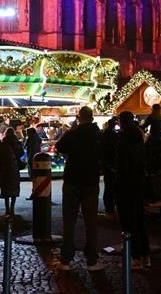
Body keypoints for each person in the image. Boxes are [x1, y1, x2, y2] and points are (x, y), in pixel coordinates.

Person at [55, 106, 103, 272]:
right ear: (92, 117)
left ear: (79, 117)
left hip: (72, 179)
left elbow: (60, 146)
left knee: (69, 221)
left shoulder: (74, 133)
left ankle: (66, 259)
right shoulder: (98, 134)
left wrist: (71, 131)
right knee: (91, 222)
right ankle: (91, 260)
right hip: (90, 180)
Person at [115, 111, 150, 269]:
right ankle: (145, 255)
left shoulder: (124, 140)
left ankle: (134, 256)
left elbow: (122, 165)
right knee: (140, 219)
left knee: (129, 221)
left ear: (121, 122)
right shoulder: (139, 137)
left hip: (126, 184)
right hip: (139, 182)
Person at [0, 128, 23, 216]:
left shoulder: (3, 143)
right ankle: (12, 208)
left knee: (6, 187)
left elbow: (0, 155)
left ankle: (7, 209)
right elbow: (21, 153)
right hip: (14, 166)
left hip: (5, 167)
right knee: (14, 187)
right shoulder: (16, 142)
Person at [100, 118, 119, 218]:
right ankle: (111, 208)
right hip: (112, 163)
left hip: (107, 163)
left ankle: (109, 208)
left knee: (108, 187)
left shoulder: (104, 134)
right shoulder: (115, 135)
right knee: (112, 187)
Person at [24, 125, 42, 199]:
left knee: (34, 177)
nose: (27, 134)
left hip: (33, 159)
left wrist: (30, 159)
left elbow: (32, 150)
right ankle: (35, 193)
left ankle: (35, 193)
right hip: (34, 159)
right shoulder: (35, 138)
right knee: (35, 177)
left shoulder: (32, 139)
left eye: (27, 133)